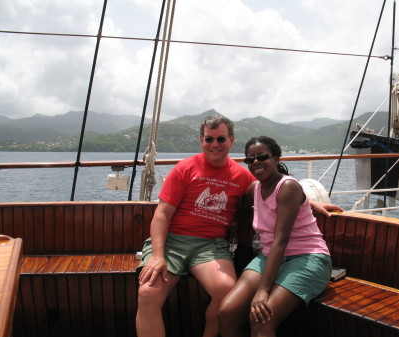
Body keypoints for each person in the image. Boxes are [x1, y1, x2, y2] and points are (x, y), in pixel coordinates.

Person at [137, 114, 341, 337]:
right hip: (172, 242)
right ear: (201, 141)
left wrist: (309, 201)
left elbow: (279, 189)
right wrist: (158, 255)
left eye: (221, 139)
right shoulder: (184, 168)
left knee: (225, 290)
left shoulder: (243, 175)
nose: (215, 144)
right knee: (147, 293)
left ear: (231, 140)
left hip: (210, 247)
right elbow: (161, 215)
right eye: (209, 139)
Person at [219, 136, 334, 337]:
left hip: (307, 258)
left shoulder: (288, 187)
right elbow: (238, 204)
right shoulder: (255, 188)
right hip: (269, 256)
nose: (256, 162)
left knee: (261, 320)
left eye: (263, 157)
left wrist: (263, 290)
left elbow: (281, 241)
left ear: (277, 158)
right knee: (227, 312)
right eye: (250, 159)